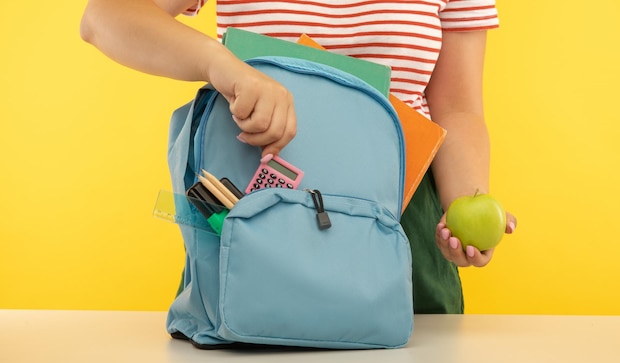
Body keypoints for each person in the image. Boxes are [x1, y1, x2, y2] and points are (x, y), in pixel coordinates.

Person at [81, 0, 517, 314]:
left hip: (401, 221)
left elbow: (457, 106)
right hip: (258, 205)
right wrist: (222, 65)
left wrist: (461, 212)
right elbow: (104, 16)